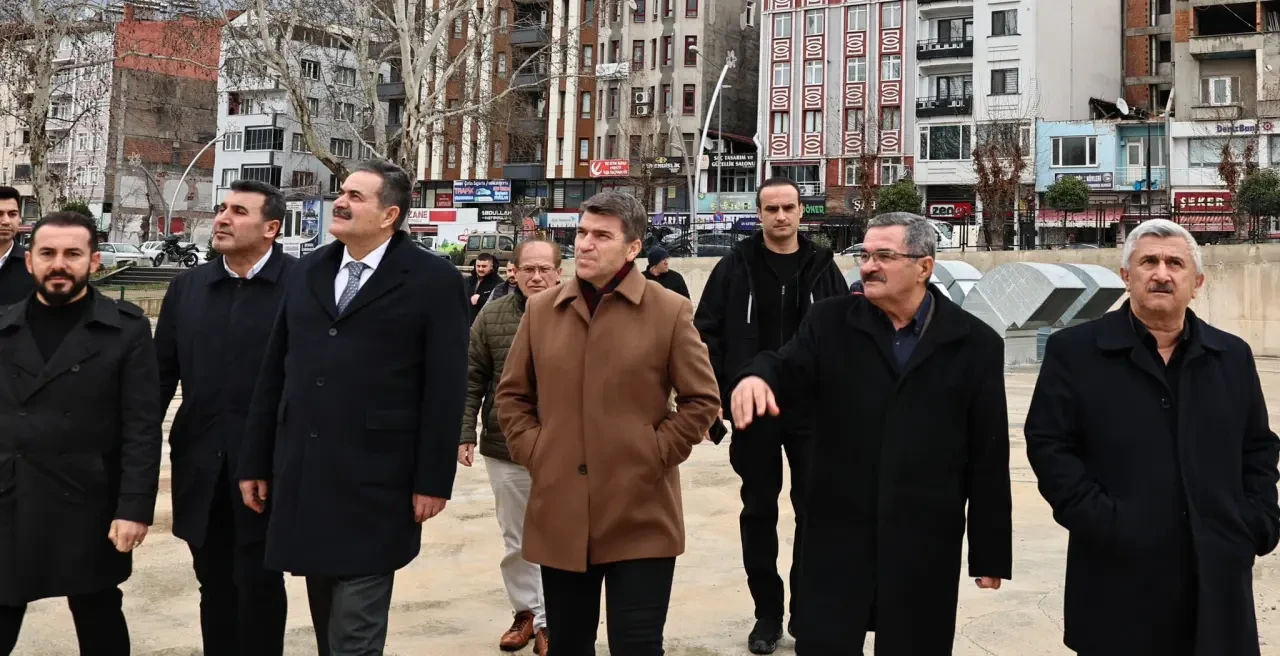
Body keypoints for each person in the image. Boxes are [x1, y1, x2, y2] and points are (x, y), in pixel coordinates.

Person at [730, 212, 1011, 654]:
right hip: (837, 530)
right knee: (826, 641)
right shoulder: (830, 322)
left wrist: (990, 551)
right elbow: (785, 362)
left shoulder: (973, 343)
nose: (867, 266)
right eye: (865, 254)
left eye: (884, 255)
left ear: (924, 267)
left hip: (923, 534)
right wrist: (756, 376)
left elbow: (988, 455)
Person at [238, 160, 470, 655]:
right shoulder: (309, 271)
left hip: (379, 477)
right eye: (342, 192)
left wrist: (432, 480)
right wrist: (256, 460)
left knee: (355, 629)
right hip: (306, 471)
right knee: (326, 612)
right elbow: (274, 371)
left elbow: (445, 387)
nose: (340, 202)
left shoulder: (434, 279)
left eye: (356, 196)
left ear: (390, 215)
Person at [1025, 219, 1280, 656]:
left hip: (1216, 572)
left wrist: (1256, 523)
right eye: (1148, 261)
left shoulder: (1231, 355)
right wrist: (1102, 521)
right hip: (1116, 572)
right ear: (1127, 276)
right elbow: (1050, 446)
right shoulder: (1075, 351)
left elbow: (1257, 446)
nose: (1162, 273)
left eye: (1175, 263)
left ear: (1196, 282)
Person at [495, 191, 720, 655]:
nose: (586, 244)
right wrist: (537, 451)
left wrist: (654, 451)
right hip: (561, 510)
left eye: (602, 235)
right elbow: (513, 396)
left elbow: (701, 400)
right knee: (569, 643)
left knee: (637, 646)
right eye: (581, 233)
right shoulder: (541, 311)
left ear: (632, 248)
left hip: (641, 512)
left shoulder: (669, 310)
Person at [693, 177, 847, 654]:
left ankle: (805, 612)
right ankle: (767, 614)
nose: (781, 216)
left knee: (814, 513)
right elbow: (706, 334)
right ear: (758, 213)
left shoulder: (824, 268)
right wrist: (717, 393)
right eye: (771, 208)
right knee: (758, 511)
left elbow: (845, 337)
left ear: (802, 212)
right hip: (751, 410)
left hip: (811, 412)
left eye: (789, 207)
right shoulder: (735, 266)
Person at [0, 211, 164, 655]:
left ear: (94, 262)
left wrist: (134, 509)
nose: (59, 263)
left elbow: (142, 428)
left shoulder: (124, 330)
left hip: (89, 500)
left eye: (73, 254)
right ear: (29, 261)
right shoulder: (3, 326)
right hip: (10, 496)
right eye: (47, 253)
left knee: (98, 612)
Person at [153, 180, 296, 655]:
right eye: (221, 209)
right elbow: (161, 377)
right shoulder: (189, 288)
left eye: (239, 211)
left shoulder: (301, 287)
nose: (222, 218)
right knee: (212, 581)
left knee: (257, 582)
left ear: (271, 227)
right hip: (201, 466)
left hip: (270, 470)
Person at [460, 238, 562, 655]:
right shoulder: (492, 315)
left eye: (545, 269)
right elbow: (471, 377)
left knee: (562, 534)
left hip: (566, 447)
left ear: (560, 272)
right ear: (513, 273)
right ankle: (527, 613)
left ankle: (555, 619)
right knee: (517, 536)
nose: (536, 277)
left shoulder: (579, 312)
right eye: (528, 269)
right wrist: (465, 432)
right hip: (505, 446)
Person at [0, 186, 33, 308]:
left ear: (19, 218)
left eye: (12, 214)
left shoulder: (34, 265)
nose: (6, 221)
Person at [469, 252, 501, 323]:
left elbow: (499, 306)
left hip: (486, 324)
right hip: (467, 324)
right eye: (478, 266)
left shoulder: (499, 284)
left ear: (491, 266)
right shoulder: (468, 281)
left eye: (484, 266)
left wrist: (480, 300)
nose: (480, 269)